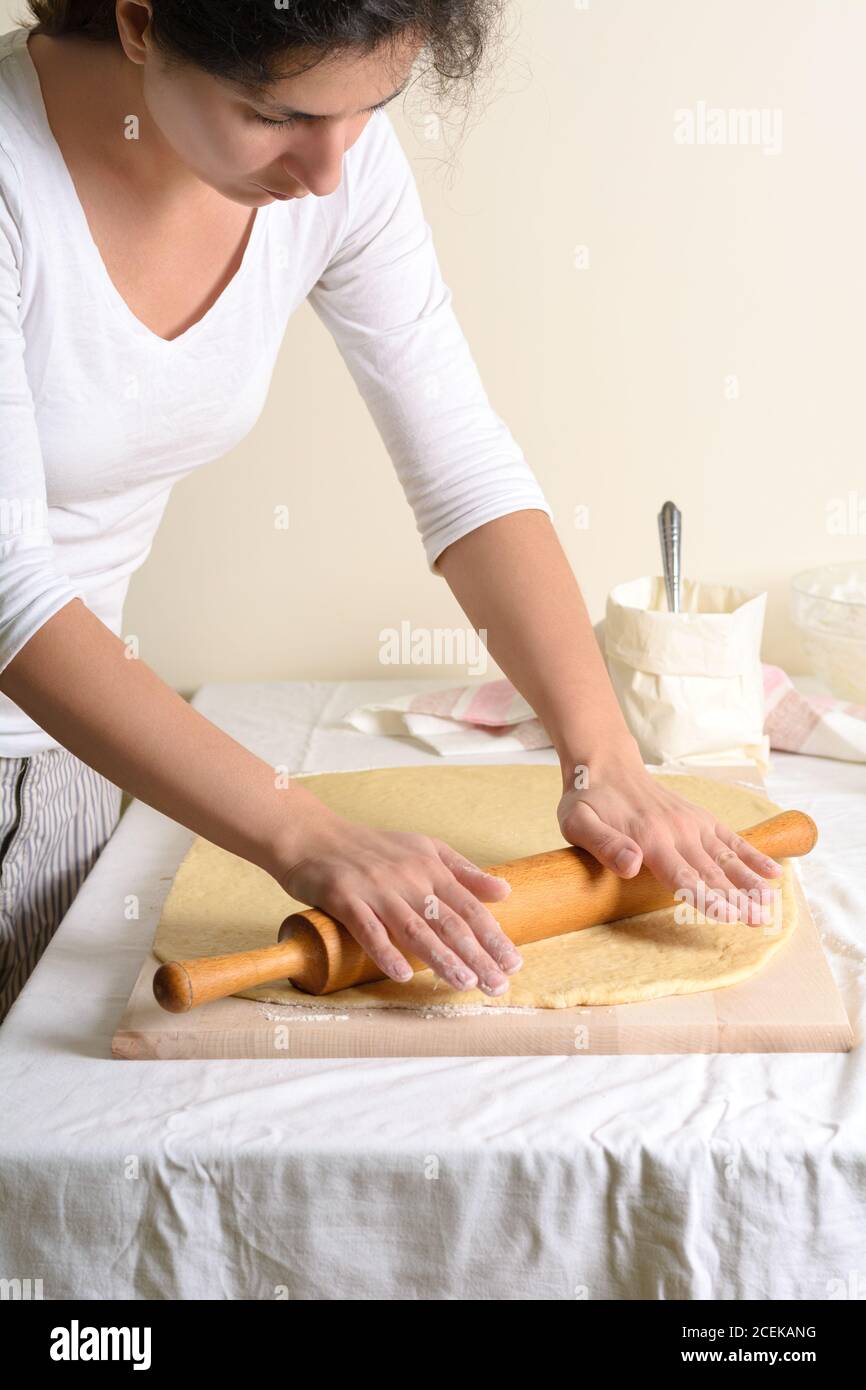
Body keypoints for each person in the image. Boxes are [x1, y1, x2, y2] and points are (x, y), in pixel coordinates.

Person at [0, 0, 781, 1023]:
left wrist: (604, 759)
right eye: (273, 115)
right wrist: (305, 835)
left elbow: (462, 471)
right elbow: (13, 593)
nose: (327, 169)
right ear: (141, 22)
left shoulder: (332, 161)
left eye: (372, 106)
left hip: (62, 751)